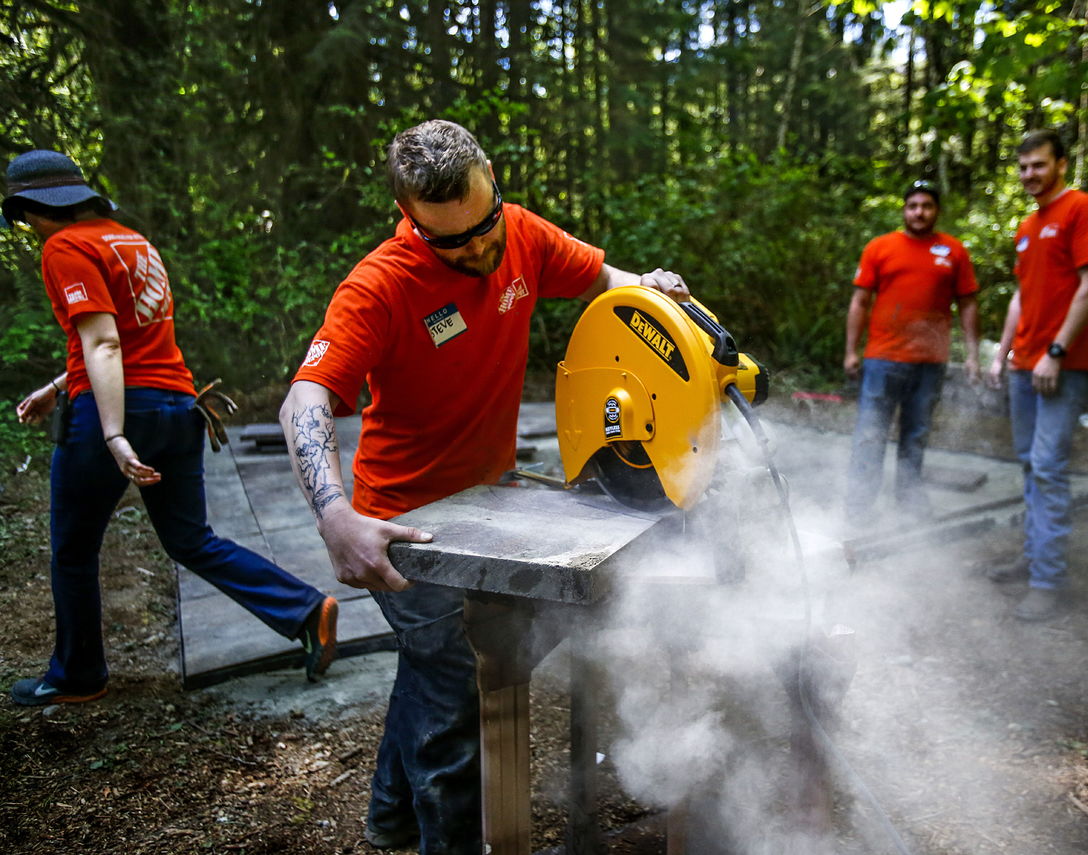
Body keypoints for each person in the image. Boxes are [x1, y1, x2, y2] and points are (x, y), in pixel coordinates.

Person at [277, 119, 689, 853]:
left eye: (482, 224)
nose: (475, 247)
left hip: (491, 499)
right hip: (402, 521)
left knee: (452, 661)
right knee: (456, 695)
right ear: (410, 218)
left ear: (492, 181)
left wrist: (649, 291)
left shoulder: (522, 233)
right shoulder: (380, 285)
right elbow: (304, 398)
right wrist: (332, 515)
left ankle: (388, 814)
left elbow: (604, 280)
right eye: (449, 241)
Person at [4, 149, 338, 707]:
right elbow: (133, 339)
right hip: (178, 407)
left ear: (33, 209)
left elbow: (107, 343)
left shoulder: (64, 247)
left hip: (117, 412)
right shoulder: (132, 241)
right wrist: (58, 386)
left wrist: (112, 434)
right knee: (190, 538)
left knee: (74, 549)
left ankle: (78, 674)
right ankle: (305, 609)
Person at [986, 129, 1088, 621]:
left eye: (1038, 165)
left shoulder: (1085, 210)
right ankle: (1033, 555)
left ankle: (1048, 581)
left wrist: (1056, 351)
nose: (1029, 175)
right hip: (1025, 364)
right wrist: (1003, 354)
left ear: (1061, 163)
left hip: (1062, 365)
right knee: (1028, 464)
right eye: (1022, 168)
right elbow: (1022, 296)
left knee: (1048, 466)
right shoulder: (1026, 225)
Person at [844, 179, 980, 523]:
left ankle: (909, 502)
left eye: (927, 206)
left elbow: (967, 305)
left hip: (930, 362)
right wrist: (851, 351)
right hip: (882, 359)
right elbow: (860, 302)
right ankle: (859, 508)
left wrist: (974, 355)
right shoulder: (880, 247)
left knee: (915, 435)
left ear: (937, 211)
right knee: (870, 435)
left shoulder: (953, 251)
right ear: (904, 210)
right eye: (913, 206)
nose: (919, 212)